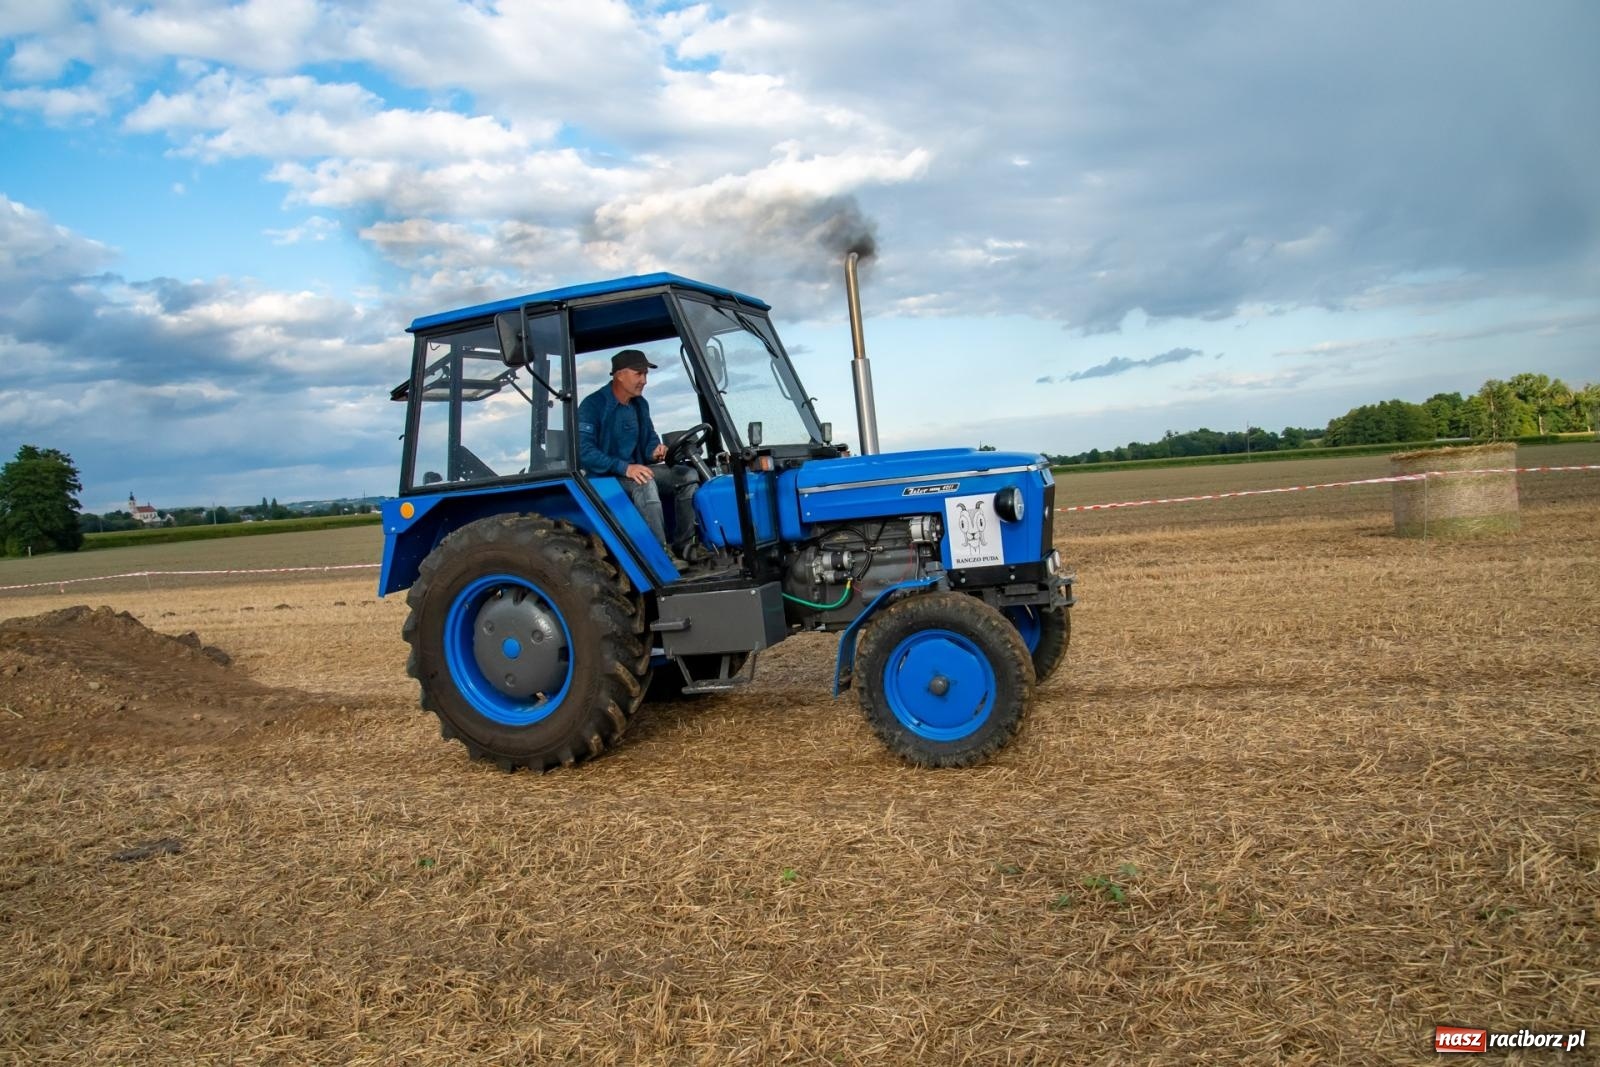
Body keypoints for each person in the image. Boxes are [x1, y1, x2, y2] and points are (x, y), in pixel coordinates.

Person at [577, 349, 699, 562]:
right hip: (605, 478)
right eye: (638, 374)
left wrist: (655, 450)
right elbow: (584, 452)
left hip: (636, 471)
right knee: (645, 481)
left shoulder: (640, 405)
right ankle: (660, 556)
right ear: (619, 374)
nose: (644, 381)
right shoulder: (593, 405)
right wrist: (625, 468)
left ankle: (685, 545)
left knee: (687, 476)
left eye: (645, 374)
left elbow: (648, 440)